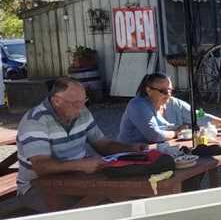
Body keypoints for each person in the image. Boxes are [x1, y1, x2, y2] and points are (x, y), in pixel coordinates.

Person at [15, 77, 148, 212]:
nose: (81, 107)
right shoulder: (35, 121)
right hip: (37, 188)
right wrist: (80, 165)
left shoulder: (82, 112)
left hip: (77, 179)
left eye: (84, 101)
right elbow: (42, 166)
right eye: (75, 103)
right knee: (97, 207)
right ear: (56, 101)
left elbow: (103, 144)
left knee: (121, 197)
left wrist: (130, 149)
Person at [117, 72, 221, 144]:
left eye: (170, 91)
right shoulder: (137, 105)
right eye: (163, 91)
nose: (168, 95)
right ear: (149, 90)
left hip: (158, 151)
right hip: (130, 154)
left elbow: (198, 114)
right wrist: (177, 132)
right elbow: (154, 135)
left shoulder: (174, 102)